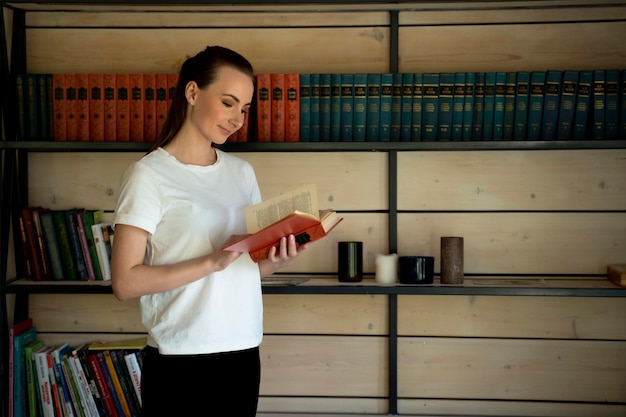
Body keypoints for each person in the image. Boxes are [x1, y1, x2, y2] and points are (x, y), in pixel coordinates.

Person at [110, 45, 307, 416]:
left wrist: (276, 261)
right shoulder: (148, 176)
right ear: (192, 93)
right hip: (180, 358)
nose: (238, 119)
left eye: (245, 109)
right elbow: (125, 283)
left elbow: (242, 266)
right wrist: (212, 261)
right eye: (229, 103)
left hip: (243, 350)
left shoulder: (241, 172)